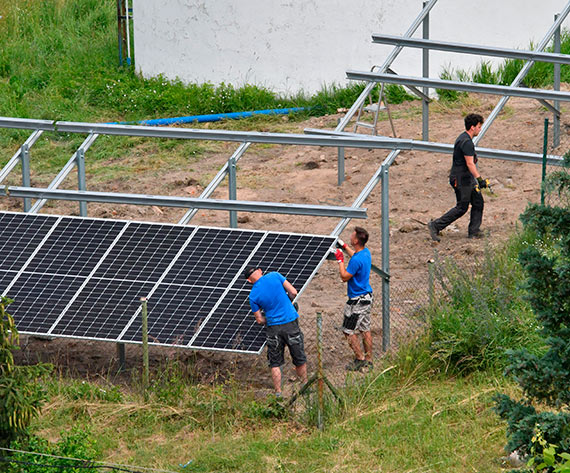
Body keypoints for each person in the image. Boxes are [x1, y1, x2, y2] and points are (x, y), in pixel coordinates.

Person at [244, 266, 307, 397]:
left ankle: (278, 392)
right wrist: (288, 303)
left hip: (273, 328)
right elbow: (294, 292)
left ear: (249, 281)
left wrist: (269, 318)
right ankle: (305, 386)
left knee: (275, 362)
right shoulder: (274, 276)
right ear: (260, 271)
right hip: (290, 323)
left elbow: (259, 320)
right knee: (299, 358)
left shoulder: (253, 295)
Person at [427, 113, 490, 241]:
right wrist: (480, 180)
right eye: (479, 126)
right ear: (472, 127)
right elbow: (470, 163)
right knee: (462, 207)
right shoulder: (466, 142)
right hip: (461, 180)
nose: (480, 129)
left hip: (466, 178)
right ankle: (435, 225)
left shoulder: (463, 138)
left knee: (478, 202)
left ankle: (474, 231)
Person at [333, 226, 374, 371]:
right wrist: (344, 246)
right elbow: (354, 256)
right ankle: (369, 360)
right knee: (365, 328)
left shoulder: (356, 260)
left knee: (348, 331)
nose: (350, 236)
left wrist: (340, 261)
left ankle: (360, 358)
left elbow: (344, 277)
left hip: (356, 300)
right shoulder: (365, 253)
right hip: (366, 297)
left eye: (352, 235)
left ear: (356, 240)